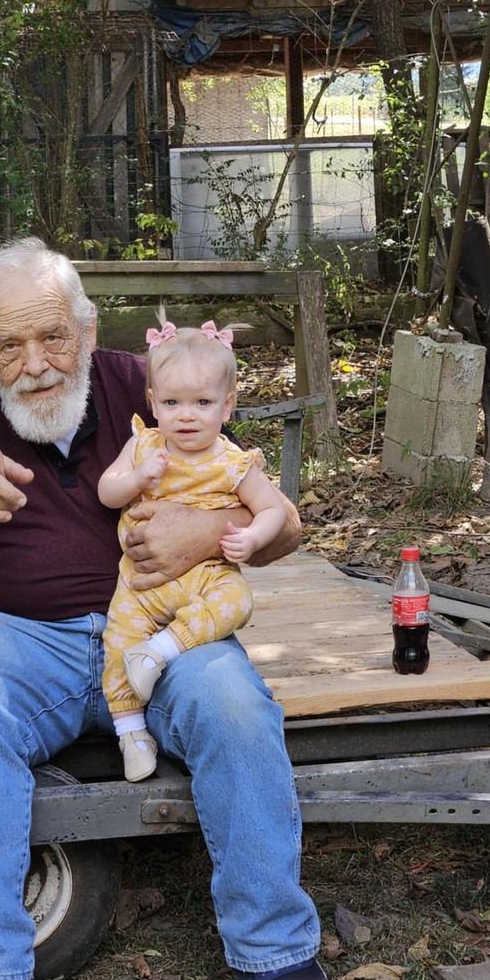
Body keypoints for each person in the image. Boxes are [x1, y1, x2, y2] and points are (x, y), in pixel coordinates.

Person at [0, 236, 351, 980]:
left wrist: (209, 529)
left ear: (89, 328)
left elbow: (285, 526)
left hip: (164, 630)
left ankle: (276, 951)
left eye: (53, 336)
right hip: (27, 642)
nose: (36, 364)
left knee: (237, 707)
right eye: (10, 345)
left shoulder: (149, 382)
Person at [98, 318, 288, 782]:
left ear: (227, 406)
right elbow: (106, 490)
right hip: (141, 584)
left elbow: (273, 510)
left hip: (206, 575)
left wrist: (252, 537)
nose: (186, 415)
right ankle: (131, 734)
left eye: (202, 403)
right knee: (118, 640)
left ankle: (161, 650)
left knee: (237, 600)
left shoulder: (233, 463)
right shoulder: (143, 445)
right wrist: (136, 478)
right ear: (152, 403)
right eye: (172, 403)